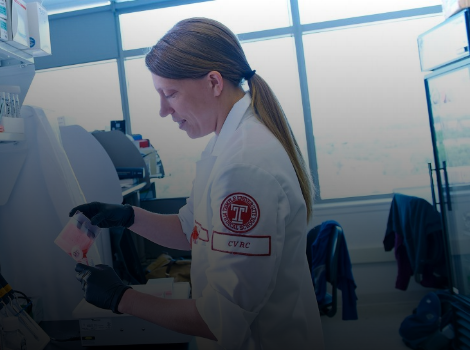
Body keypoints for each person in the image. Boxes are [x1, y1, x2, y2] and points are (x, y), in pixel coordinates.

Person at [70, 18, 324, 350]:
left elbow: (221, 320)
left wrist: (122, 298)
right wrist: (128, 216)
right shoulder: (225, 142)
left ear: (214, 82)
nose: (163, 110)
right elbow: (193, 229)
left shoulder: (245, 167)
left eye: (170, 94)